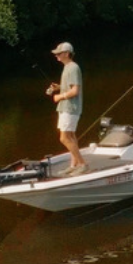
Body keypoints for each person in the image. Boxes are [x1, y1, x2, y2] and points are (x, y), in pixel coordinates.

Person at [47, 42, 87, 176]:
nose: (56, 55)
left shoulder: (73, 68)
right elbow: (70, 87)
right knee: (71, 136)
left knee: (64, 138)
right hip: (67, 108)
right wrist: (59, 87)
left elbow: (75, 90)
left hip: (70, 108)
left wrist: (60, 96)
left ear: (66, 53)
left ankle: (82, 164)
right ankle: (73, 165)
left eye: (59, 53)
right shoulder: (68, 67)